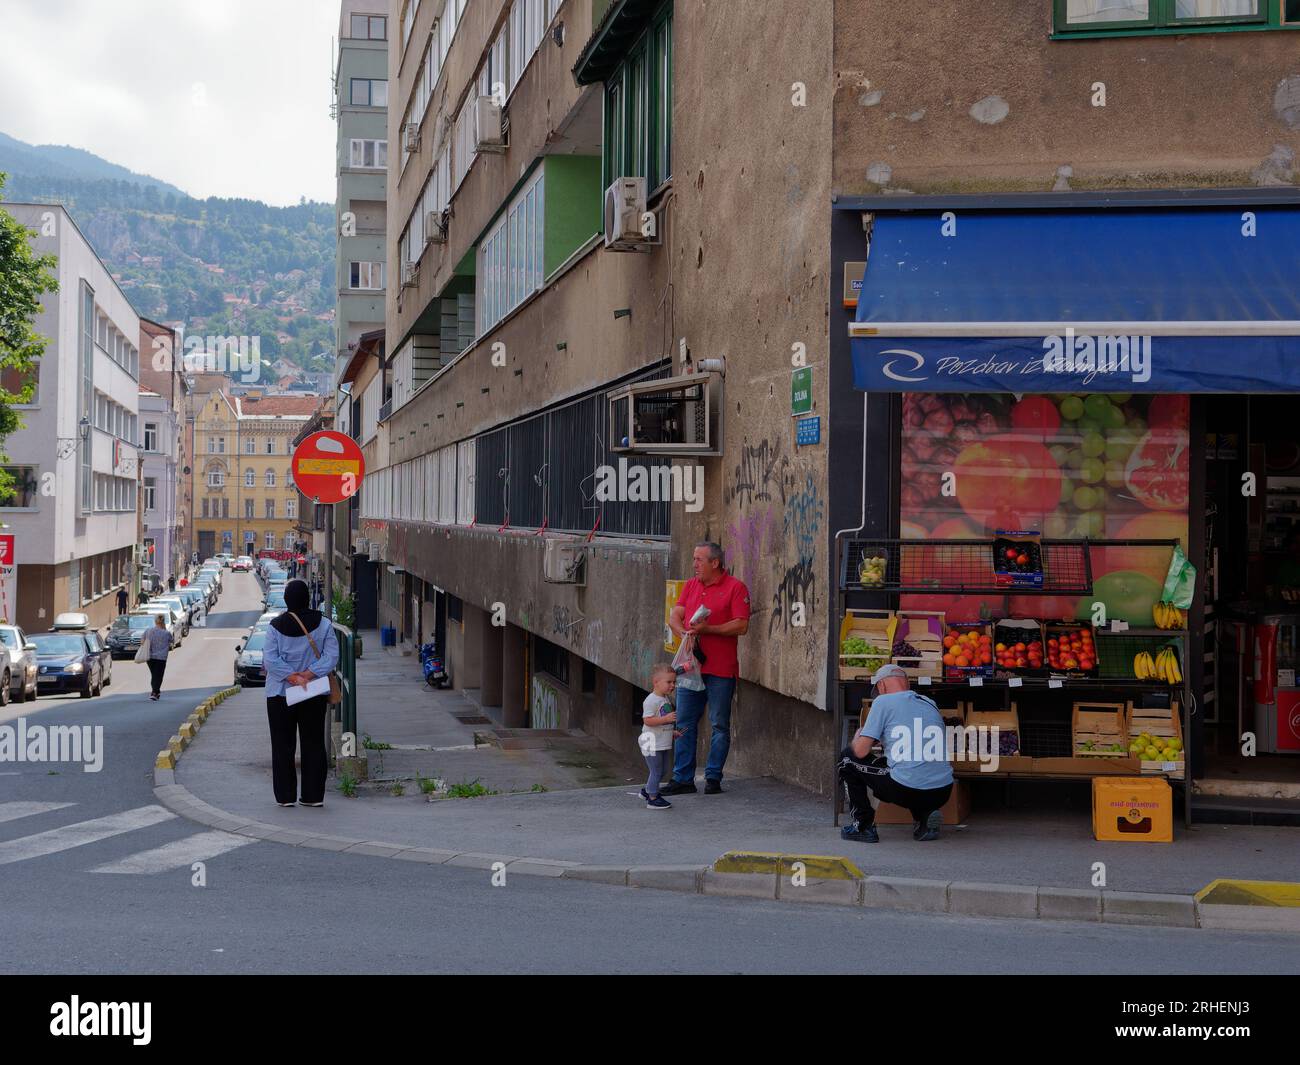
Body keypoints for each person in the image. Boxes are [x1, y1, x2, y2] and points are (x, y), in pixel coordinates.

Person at [663, 542, 751, 796]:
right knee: (684, 722)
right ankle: (682, 778)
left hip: (721, 668)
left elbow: (741, 625)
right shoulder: (691, 585)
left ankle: (713, 777)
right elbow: (674, 615)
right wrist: (684, 632)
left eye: (699, 559)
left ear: (715, 563)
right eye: (694, 559)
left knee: (719, 723)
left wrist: (708, 629)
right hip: (691, 668)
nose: (695, 564)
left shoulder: (735, 587)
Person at [838, 664, 954, 843]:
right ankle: (924, 819)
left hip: (907, 788)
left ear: (881, 686)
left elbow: (860, 751)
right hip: (943, 790)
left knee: (847, 758)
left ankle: (862, 826)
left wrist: (856, 739)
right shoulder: (929, 702)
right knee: (910, 765)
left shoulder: (883, 702)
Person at [262, 578, 339, 808]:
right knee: (313, 742)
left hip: (280, 694)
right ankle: (313, 795)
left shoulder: (275, 626)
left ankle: (285, 796)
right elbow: (332, 656)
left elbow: (270, 660)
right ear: (308, 598)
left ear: (286, 600)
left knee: (282, 745)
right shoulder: (324, 624)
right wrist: (309, 674)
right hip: (312, 692)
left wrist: (292, 677)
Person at [639, 664, 680, 810]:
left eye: (674, 682)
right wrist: (666, 719)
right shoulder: (651, 700)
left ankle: (647, 790)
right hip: (651, 741)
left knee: (662, 770)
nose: (672, 685)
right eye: (669, 682)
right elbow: (647, 720)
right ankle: (653, 798)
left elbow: (662, 723)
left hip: (661, 741)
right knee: (656, 770)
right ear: (656, 682)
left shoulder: (665, 699)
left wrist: (672, 732)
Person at [143, 614, 171, 701]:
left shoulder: (148, 631)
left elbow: (142, 641)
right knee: (158, 675)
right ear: (163, 621)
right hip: (162, 658)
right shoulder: (167, 633)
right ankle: (154, 692)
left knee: (154, 674)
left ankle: (156, 692)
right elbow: (171, 641)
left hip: (150, 657)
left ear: (155, 621)